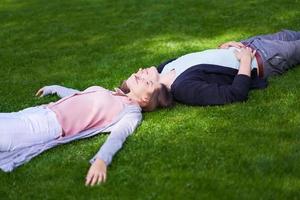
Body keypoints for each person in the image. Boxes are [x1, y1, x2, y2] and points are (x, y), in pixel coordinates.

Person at [0, 78, 173, 186]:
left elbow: (118, 137)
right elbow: (79, 96)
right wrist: (55, 88)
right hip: (38, 112)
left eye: (148, 82)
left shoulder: (131, 113)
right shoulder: (114, 95)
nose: (141, 76)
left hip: (44, 126)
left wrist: (101, 161)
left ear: (145, 99)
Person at [121, 30, 300, 106]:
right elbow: (235, 95)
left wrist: (223, 47)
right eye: (137, 78)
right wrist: (245, 61)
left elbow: (204, 59)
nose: (139, 70)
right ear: (146, 96)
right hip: (266, 58)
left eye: (135, 74)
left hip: (251, 43)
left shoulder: (164, 67)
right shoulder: (184, 89)